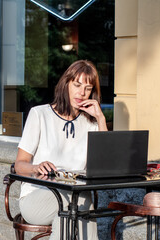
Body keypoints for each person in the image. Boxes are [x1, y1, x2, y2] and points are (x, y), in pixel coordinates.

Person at [14, 60, 108, 239]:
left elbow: (105, 165)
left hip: (74, 197)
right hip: (37, 196)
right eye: (77, 85)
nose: (81, 92)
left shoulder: (91, 123)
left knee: (69, 212)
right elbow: (20, 164)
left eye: (87, 88)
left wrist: (100, 118)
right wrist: (36, 167)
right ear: (66, 84)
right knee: (78, 203)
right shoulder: (39, 114)